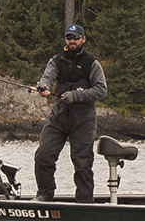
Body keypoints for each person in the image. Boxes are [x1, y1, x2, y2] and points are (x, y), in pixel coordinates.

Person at [32, 23, 109, 200]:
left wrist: (75, 96)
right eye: (69, 37)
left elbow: (101, 90)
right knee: (43, 156)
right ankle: (44, 194)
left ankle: (84, 201)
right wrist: (43, 86)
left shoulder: (92, 63)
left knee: (82, 163)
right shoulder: (56, 61)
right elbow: (48, 76)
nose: (72, 41)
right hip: (58, 117)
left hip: (83, 119)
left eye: (75, 38)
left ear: (83, 39)